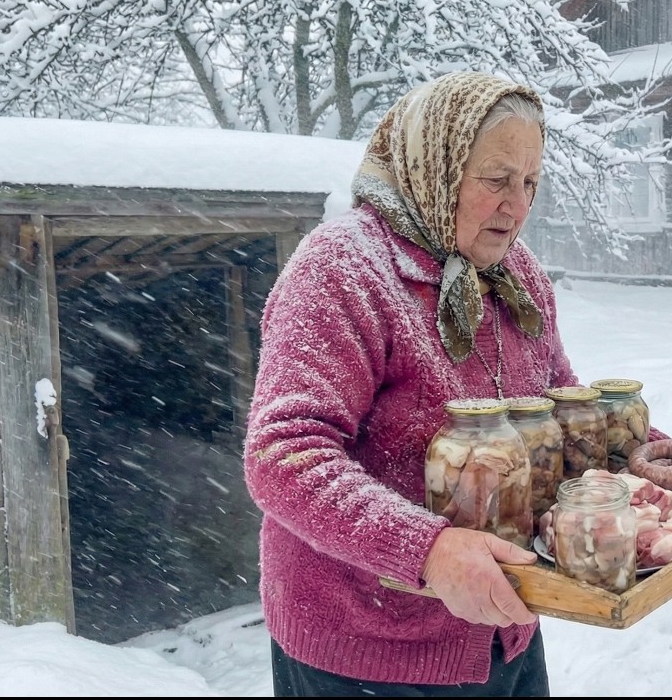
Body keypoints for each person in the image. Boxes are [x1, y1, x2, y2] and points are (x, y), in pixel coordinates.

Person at [242, 71, 578, 696]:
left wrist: (651, 463)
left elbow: (560, 406)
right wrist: (430, 550)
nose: (518, 205)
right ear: (437, 164)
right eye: (496, 179)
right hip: (365, 651)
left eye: (530, 182)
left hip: (504, 626)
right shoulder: (342, 269)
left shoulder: (516, 277)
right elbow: (284, 456)